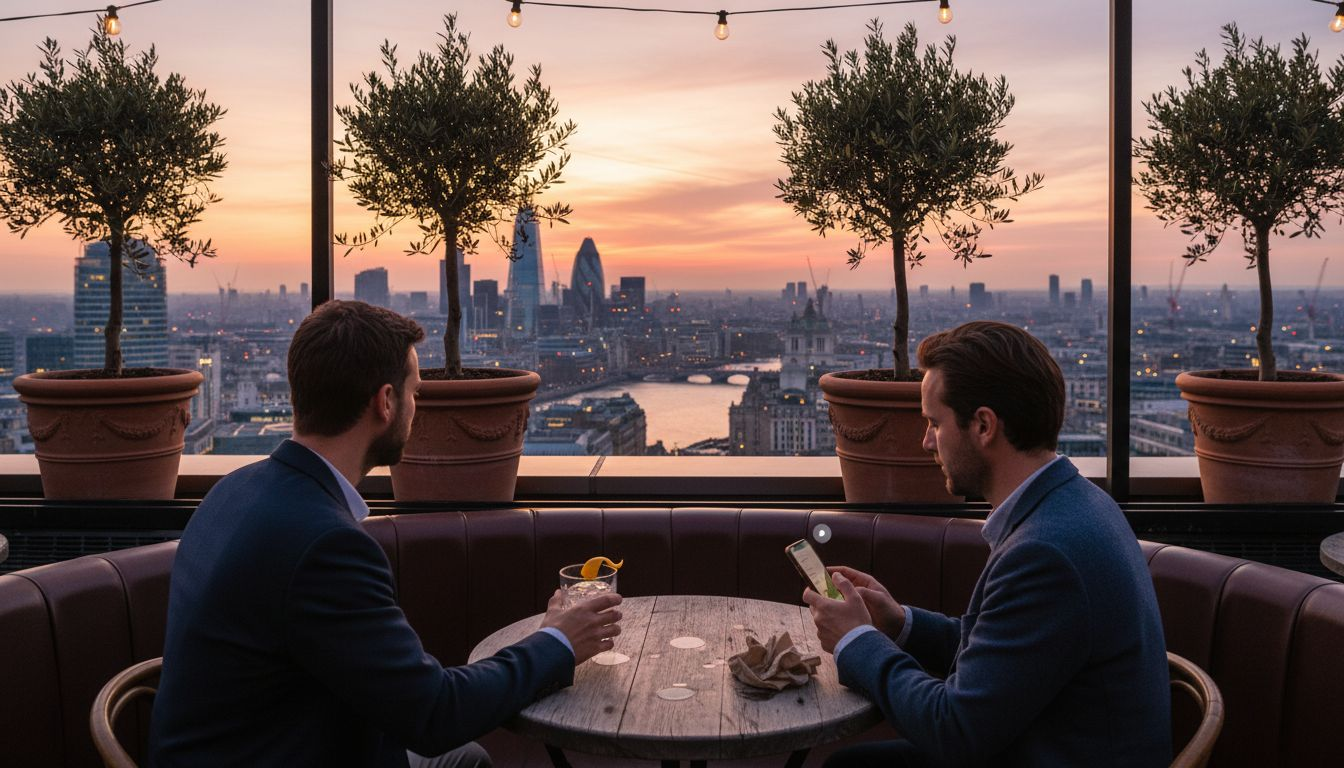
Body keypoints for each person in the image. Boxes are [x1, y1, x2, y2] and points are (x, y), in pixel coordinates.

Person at [150, 300, 623, 768]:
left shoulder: (233, 491)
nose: (417, 407)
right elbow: (434, 714)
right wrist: (558, 642)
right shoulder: (326, 546)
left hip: (252, 742)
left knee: (468, 761)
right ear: (386, 401)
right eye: (415, 392)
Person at [805, 321, 1170, 767]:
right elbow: (1009, 654)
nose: (925, 442)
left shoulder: (1045, 553)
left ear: (983, 425)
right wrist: (900, 623)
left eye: (935, 423)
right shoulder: (1079, 504)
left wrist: (856, 640)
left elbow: (954, 730)